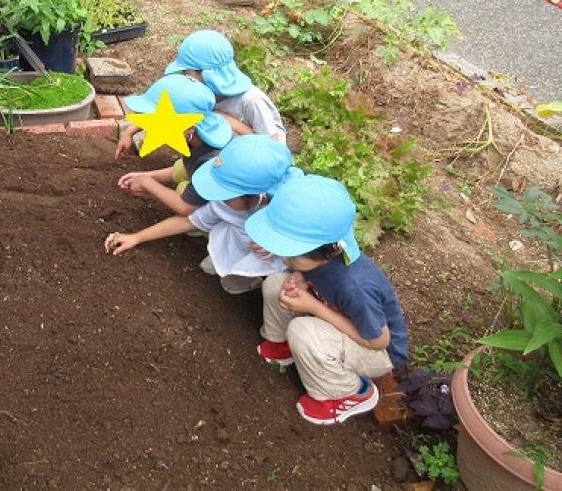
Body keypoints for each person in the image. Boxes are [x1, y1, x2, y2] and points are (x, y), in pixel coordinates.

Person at [244, 174, 409, 425]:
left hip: (378, 351)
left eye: (292, 256)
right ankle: (283, 346)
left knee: (302, 330)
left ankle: (348, 393)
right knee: (276, 282)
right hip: (345, 321)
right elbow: (309, 272)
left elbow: (378, 340)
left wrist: (313, 307)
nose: (285, 260)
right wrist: (299, 276)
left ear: (324, 250)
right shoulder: (326, 253)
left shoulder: (355, 286)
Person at [106, 135, 299, 294]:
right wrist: (136, 237)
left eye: (224, 191)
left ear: (250, 196)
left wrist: (277, 247)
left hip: (281, 263)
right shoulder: (226, 203)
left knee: (255, 285)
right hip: (241, 241)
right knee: (215, 272)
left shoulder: (290, 209)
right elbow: (188, 221)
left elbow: (311, 249)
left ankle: (256, 281)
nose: (219, 196)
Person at [117, 30, 284, 160]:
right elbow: (168, 110)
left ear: (204, 73)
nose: (183, 75)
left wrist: (227, 120)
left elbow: (271, 149)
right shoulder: (198, 88)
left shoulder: (252, 101)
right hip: (214, 150)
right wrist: (129, 132)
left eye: (186, 72)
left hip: (247, 163)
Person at [116, 73, 232, 217]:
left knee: (183, 191)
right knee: (182, 167)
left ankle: (200, 232)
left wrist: (148, 184)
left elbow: (185, 207)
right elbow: (185, 167)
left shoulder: (209, 161)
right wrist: (144, 176)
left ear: (189, 127)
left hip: (233, 219)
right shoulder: (201, 134)